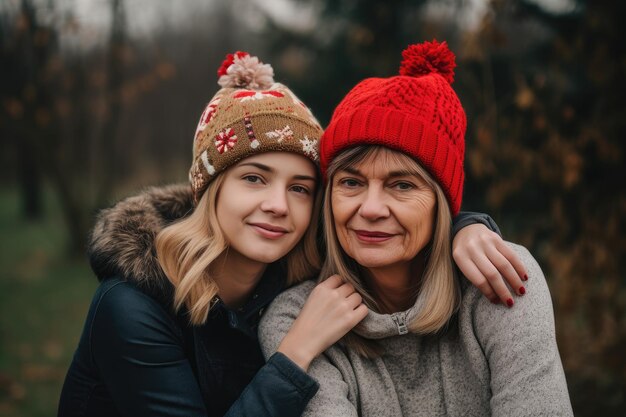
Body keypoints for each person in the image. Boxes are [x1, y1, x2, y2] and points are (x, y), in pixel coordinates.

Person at [58, 51, 523, 417]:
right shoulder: (133, 306)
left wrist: (466, 229)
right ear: (210, 190)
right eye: (254, 178)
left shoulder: (292, 271)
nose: (278, 205)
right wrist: (295, 351)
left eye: (300, 188)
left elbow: (393, 223)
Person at [259, 41, 573, 416]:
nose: (371, 209)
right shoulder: (297, 321)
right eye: (351, 183)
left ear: (442, 203)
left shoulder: (501, 278)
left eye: (402, 185)